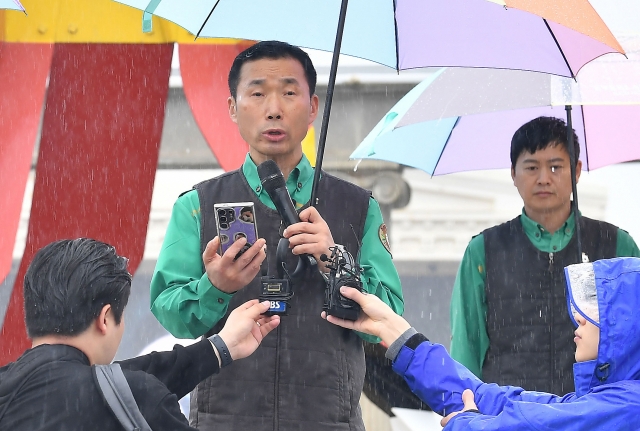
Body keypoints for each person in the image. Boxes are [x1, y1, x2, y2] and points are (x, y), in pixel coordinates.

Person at [150, 40, 404, 431]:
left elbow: (389, 315)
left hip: (326, 421)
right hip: (224, 421)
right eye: (257, 93)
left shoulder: (357, 207)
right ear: (233, 108)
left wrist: (334, 260)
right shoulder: (198, 206)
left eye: (289, 92)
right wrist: (215, 287)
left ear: (313, 108)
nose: (274, 108)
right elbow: (172, 313)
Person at [325, 257, 640, 430]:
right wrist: (400, 335)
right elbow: (498, 401)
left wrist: (465, 424)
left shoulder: (628, 408)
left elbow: (525, 426)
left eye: (600, 310)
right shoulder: (613, 400)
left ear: (628, 326)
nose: (580, 319)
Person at [0, 238, 280, 431]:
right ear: (105, 318)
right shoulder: (140, 397)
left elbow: (110, 382)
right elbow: (120, 388)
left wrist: (220, 347)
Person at [449, 116, 640, 395]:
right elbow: (466, 348)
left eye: (555, 166)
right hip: (510, 413)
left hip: (592, 414)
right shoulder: (484, 251)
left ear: (576, 171)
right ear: (513, 173)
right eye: (531, 167)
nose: (543, 179)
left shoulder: (616, 246)